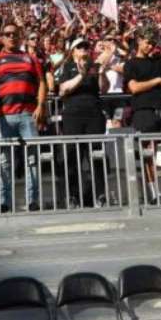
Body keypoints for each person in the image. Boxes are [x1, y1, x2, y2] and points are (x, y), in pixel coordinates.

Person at [0, 22, 47, 212]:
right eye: (8, 34)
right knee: (3, 161)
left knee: (32, 160)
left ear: (20, 37)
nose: (11, 37)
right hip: (5, 116)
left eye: (15, 34)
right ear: (2, 37)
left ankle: (32, 201)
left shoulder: (31, 58)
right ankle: (4, 202)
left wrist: (41, 105)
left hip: (28, 115)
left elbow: (42, 82)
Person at [123, 22, 161, 203]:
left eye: (153, 43)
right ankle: (153, 194)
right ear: (139, 41)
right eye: (148, 42)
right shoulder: (131, 64)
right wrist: (157, 80)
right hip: (143, 111)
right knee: (148, 154)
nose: (151, 46)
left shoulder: (158, 60)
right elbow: (134, 87)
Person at [58, 37, 111, 207]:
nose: (84, 50)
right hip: (73, 115)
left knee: (96, 155)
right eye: (80, 47)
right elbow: (63, 89)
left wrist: (102, 74)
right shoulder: (67, 67)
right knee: (73, 157)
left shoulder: (95, 67)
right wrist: (81, 75)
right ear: (73, 51)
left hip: (94, 115)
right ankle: (73, 195)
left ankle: (100, 194)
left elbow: (104, 88)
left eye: (86, 47)